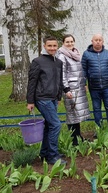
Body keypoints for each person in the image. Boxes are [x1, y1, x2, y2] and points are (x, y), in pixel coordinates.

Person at [26, 36, 66, 164]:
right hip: (42, 98)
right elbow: (32, 82)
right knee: (56, 125)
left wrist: (58, 97)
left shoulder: (58, 62)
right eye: (49, 46)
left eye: (54, 46)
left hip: (53, 98)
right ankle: (52, 156)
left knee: (49, 126)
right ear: (44, 46)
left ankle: (44, 153)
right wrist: (30, 101)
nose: (52, 48)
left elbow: (59, 81)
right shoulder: (37, 62)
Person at [81, 34, 108, 135]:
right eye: (96, 40)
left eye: (100, 40)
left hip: (107, 86)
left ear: (103, 42)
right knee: (96, 108)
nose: (98, 42)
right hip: (94, 87)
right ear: (92, 41)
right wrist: (84, 83)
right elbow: (83, 70)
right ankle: (99, 129)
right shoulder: (86, 54)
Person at [57, 34, 90, 146]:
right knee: (72, 114)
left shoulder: (75, 54)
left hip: (78, 88)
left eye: (71, 41)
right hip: (70, 90)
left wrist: (83, 84)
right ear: (63, 43)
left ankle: (78, 135)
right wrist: (66, 90)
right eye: (67, 42)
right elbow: (62, 75)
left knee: (77, 114)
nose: (70, 44)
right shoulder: (62, 56)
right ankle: (74, 139)